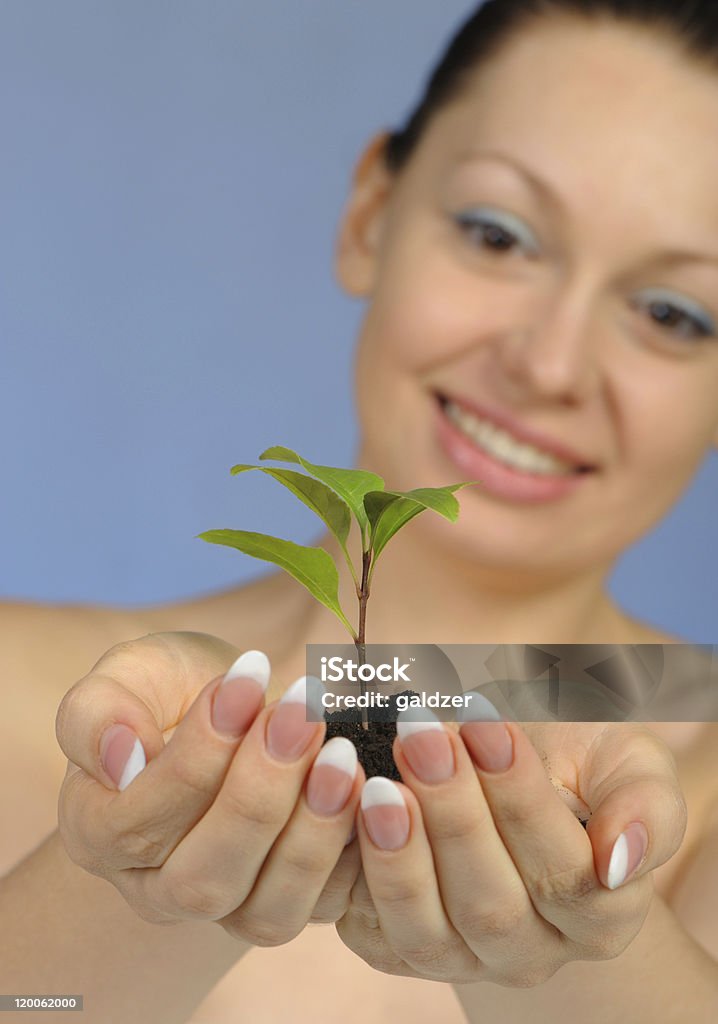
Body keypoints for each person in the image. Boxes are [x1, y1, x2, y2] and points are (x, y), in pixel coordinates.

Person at [2, 0, 718, 1021]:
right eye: (497, 234)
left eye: (671, 314)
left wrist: (583, 938)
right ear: (369, 215)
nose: (548, 364)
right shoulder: (43, 708)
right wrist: (134, 876)